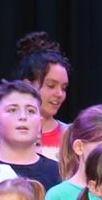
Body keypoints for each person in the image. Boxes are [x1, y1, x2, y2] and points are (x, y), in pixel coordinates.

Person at [0, 80, 60, 192]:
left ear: (40, 124)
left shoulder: (59, 173)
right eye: (12, 110)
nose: (23, 117)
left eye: (31, 111)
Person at [16, 32, 71, 160]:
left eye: (64, 88)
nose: (60, 94)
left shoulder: (72, 136)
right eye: (51, 85)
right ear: (27, 85)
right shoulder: (2, 138)